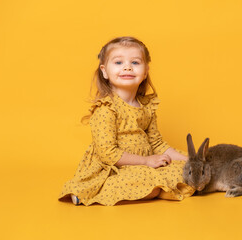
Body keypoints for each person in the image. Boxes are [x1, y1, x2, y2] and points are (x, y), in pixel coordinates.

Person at [58, 36, 195, 206]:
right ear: (104, 71)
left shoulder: (146, 106)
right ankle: (90, 191)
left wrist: (188, 159)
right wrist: (146, 161)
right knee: (148, 183)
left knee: (188, 170)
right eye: (118, 62)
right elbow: (108, 153)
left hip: (147, 163)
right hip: (115, 168)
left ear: (145, 72)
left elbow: (157, 143)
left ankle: (164, 188)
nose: (127, 67)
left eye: (135, 63)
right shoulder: (106, 109)